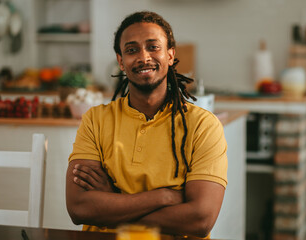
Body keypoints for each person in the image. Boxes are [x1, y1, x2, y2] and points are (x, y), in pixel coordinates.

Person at [66, 11, 228, 238]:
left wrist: (113, 201)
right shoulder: (96, 120)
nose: (144, 57)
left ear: (170, 55)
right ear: (121, 61)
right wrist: (163, 197)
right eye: (132, 50)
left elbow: (201, 219)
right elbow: (79, 208)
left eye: (153, 47)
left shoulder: (203, 125)